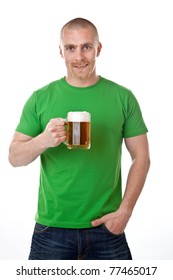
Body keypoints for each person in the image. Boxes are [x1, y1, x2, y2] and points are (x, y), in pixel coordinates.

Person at [8, 17, 150, 260]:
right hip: (51, 228)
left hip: (106, 228)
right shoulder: (40, 98)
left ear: (98, 49)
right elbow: (14, 158)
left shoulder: (123, 97)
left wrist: (125, 211)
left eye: (86, 47)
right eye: (71, 48)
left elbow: (142, 158)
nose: (79, 56)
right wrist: (43, 140)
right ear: (61, 51)